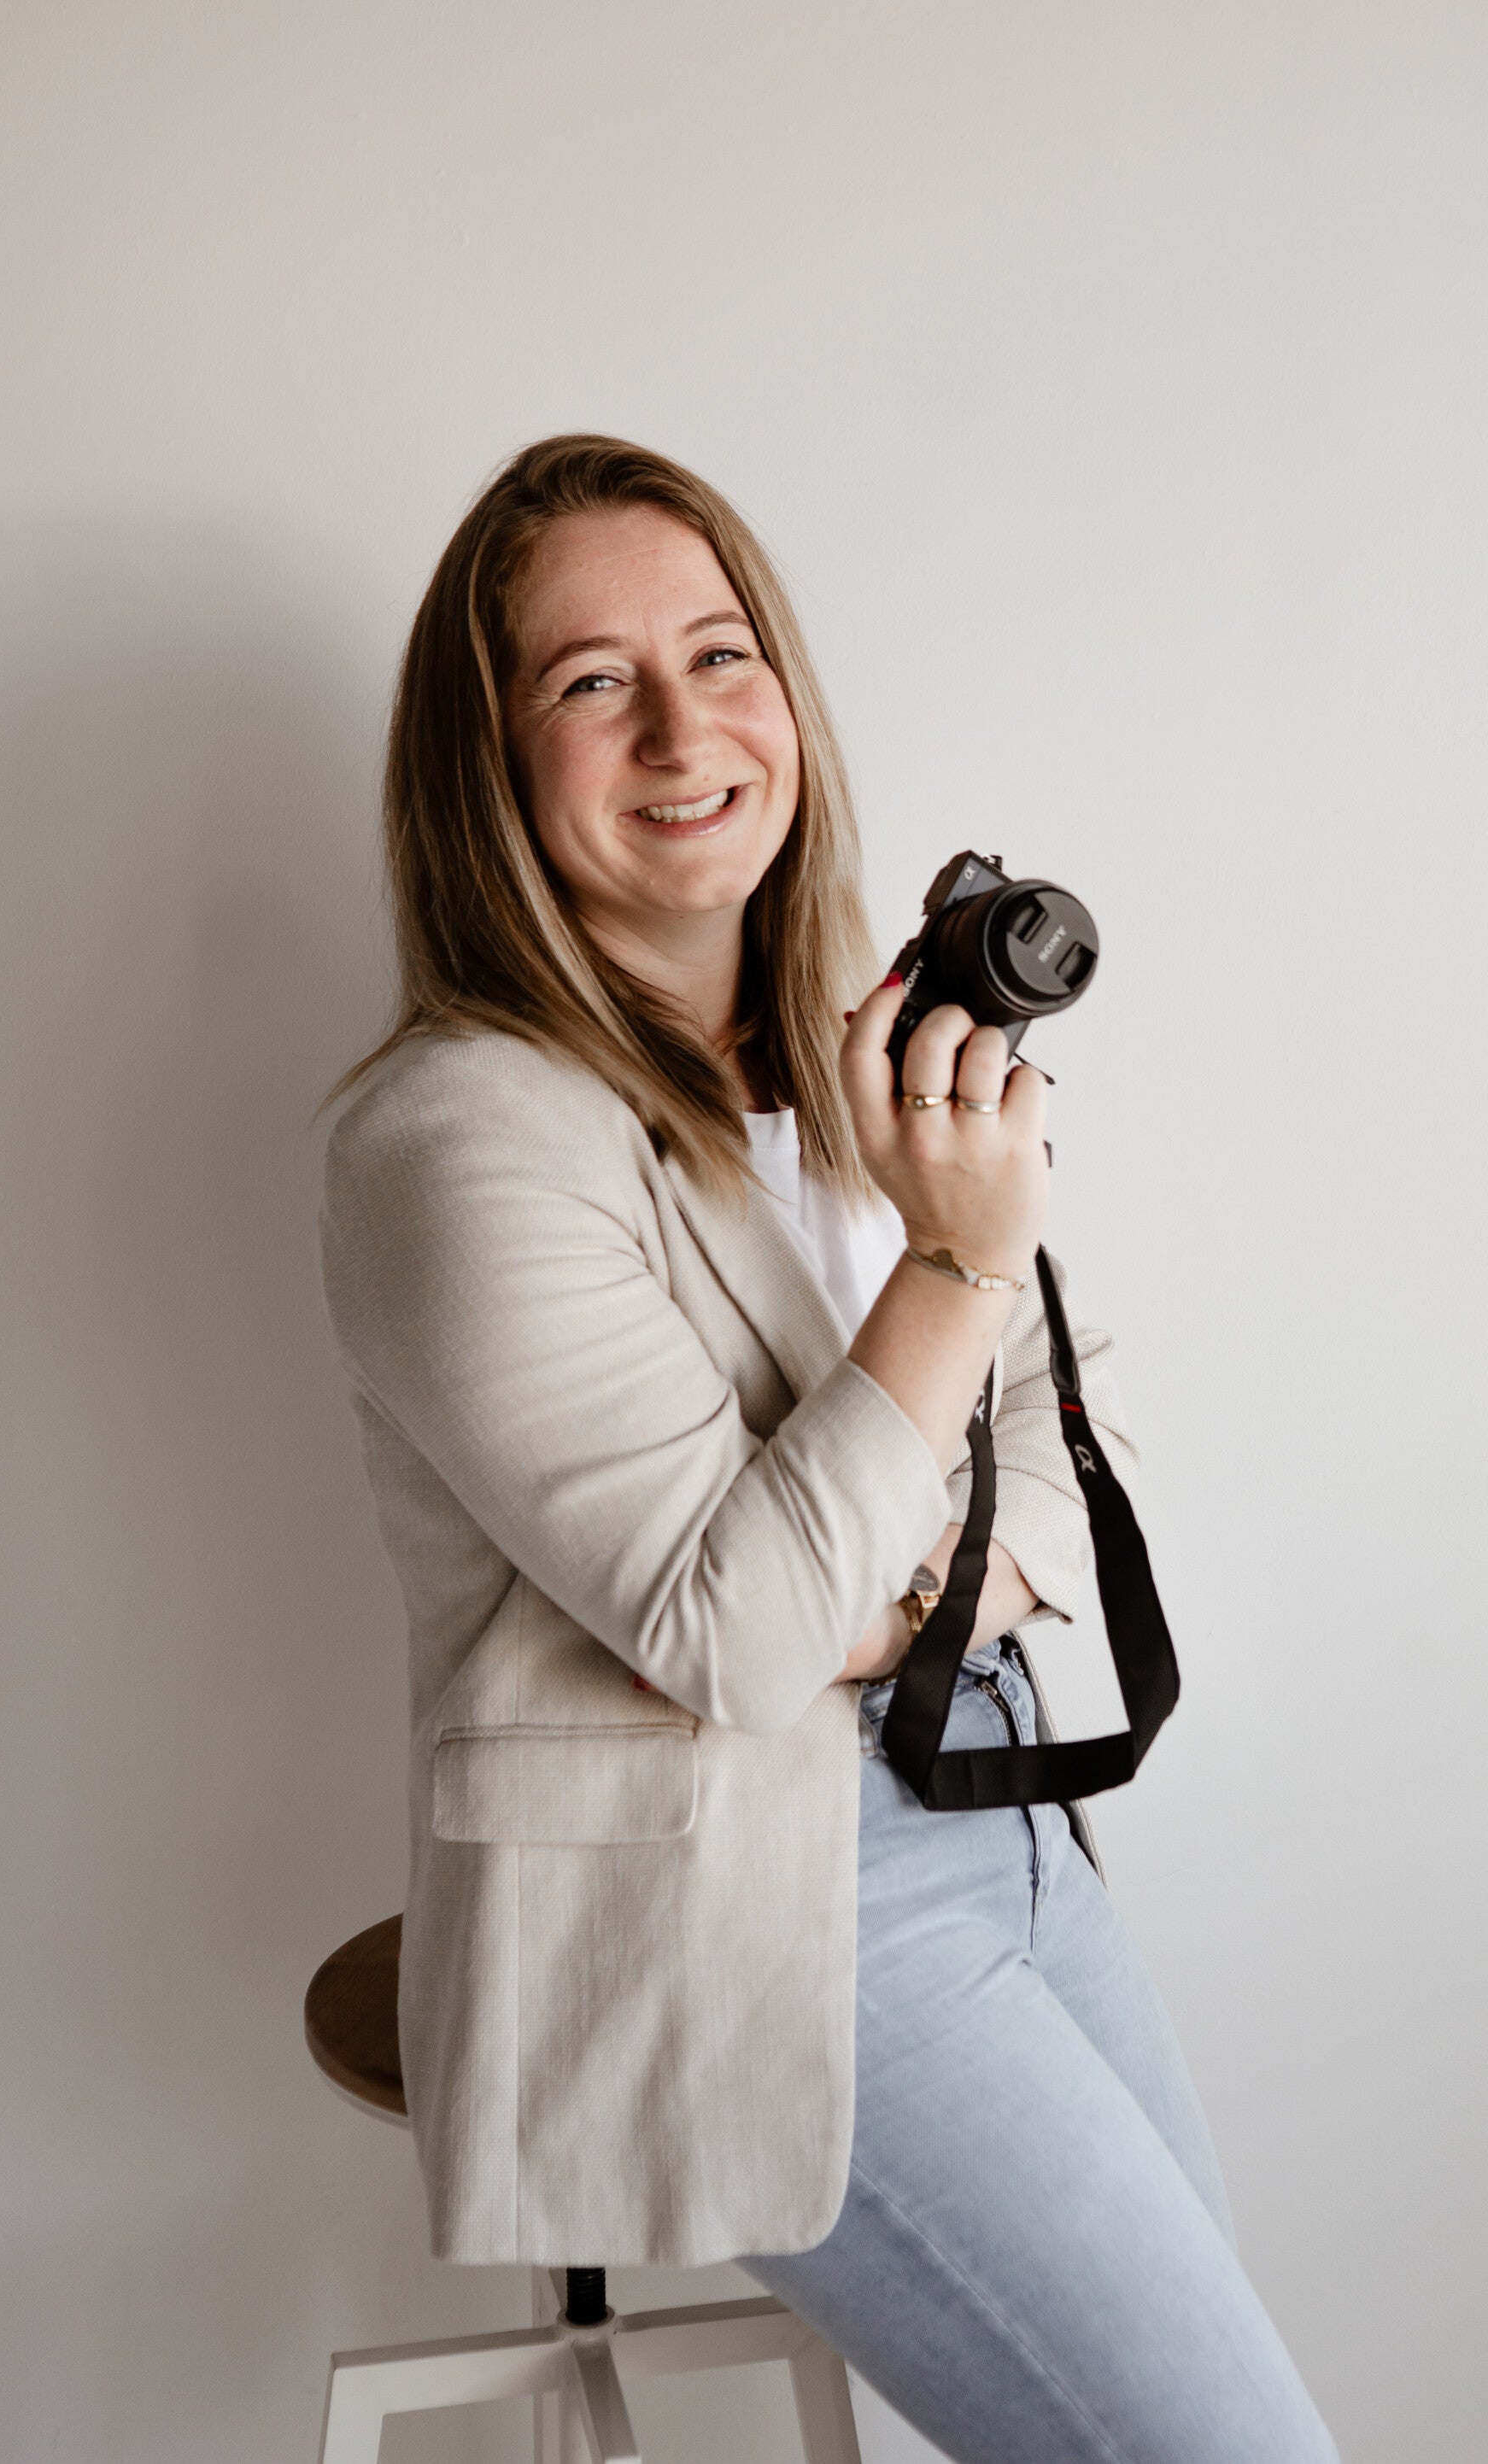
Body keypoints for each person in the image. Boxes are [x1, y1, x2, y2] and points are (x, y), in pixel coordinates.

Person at [319, 433, 1337, 2461]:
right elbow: (743, 1638)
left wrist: (909, 1575)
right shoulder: (457, 1144)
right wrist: (951, 1267)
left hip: (1001, 1809)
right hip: (766, 1902)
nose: (682, 725)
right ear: (488, 765)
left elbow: (1076, 1433)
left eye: (722, 653)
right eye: (592, 680)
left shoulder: (843, 1065)